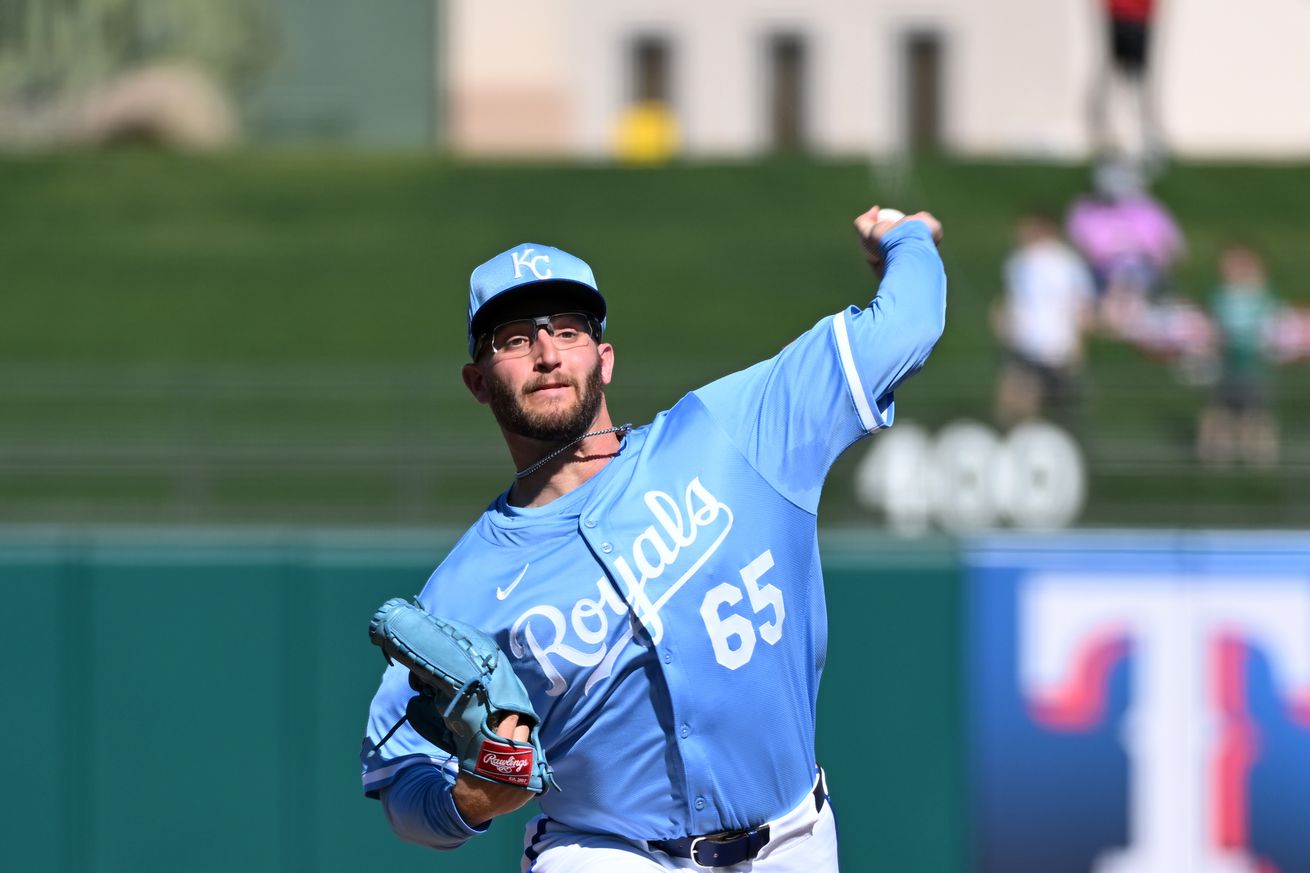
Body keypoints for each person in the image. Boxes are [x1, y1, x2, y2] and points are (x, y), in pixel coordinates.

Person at [360, 206, 947, 872]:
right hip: (605, 851)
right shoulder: (464, 588)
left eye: (569, 329)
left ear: (604, 358)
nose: (548, 354)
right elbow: (400, 776)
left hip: (794, 843)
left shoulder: (733, 431)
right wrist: (466, 798)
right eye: (514, 338)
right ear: (477, 381)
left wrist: (903, 238)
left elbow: (908, 324)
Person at [992, 210, 1097, 429]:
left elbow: (1081, 305)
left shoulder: (1065, 262)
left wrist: (1079, 342)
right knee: (1019, 399)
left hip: (1054, 345)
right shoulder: (1020, 261)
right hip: (1029, 344)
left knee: (1053, 408)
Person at [1196, 243, 1281, 467]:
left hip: (1253, 366)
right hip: (1226, 365)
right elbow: (1214, 326)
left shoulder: (1264, 296)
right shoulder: (1221, 295)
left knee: (1257, 414)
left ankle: (1260, 458)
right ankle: (1214, 457)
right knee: (1218, 412)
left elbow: (1272, 326)